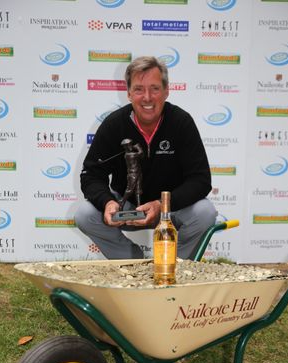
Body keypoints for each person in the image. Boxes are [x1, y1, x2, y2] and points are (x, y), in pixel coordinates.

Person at [75, 56, 217, 260]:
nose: (147, 97)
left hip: (171, 208)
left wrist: (162, 204)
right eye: (139, 89)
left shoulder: (181, 122)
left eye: (155, 88)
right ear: (129, 93)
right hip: (129, 208)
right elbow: (91, 174)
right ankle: (132, 262)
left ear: (166, 91)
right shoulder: (114, 124)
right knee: (85, 215)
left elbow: (201, 180)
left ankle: (176, 266)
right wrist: (107, 202)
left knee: (205, 212)